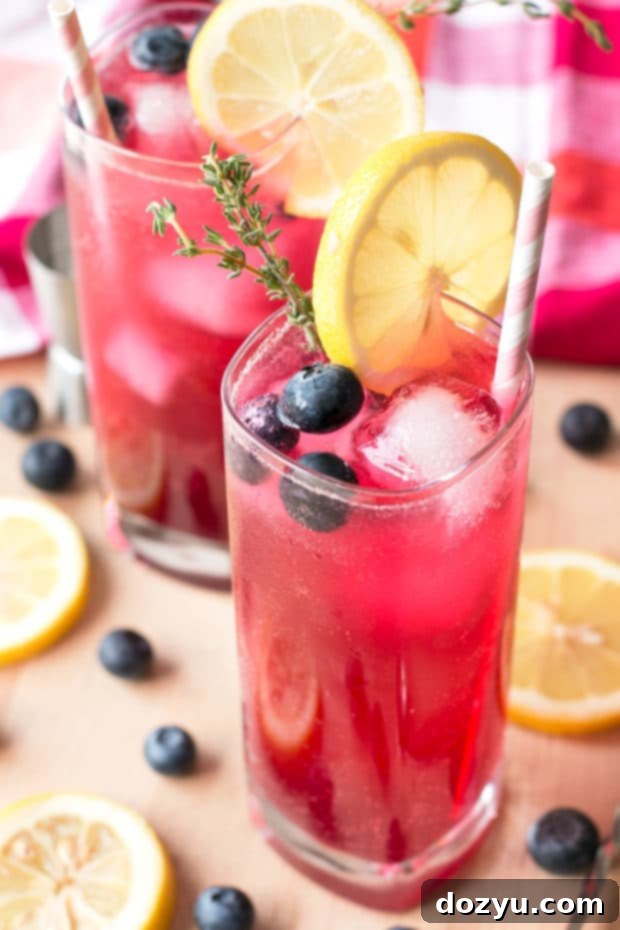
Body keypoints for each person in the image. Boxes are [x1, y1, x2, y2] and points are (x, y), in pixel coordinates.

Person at [1, 0, 619, 363]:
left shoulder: (299, 162)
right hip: (143, 454)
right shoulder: (120, 113)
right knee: (146, 359)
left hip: (278, 469)